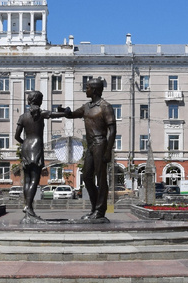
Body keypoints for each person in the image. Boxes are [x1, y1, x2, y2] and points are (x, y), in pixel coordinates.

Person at [59, 77, 117, 222]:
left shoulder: (105, 107)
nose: (86, 90)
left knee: (101, 178)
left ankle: (100, 210)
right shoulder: (87, 107)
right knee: (86, 177)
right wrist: (65, 111)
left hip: (100, 143)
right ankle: (95, 208)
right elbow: (72, 114)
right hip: (90, 145)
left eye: (88, 87)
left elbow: (113, 130)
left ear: (95, 90)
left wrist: (108, 150)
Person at [13, 90, 63, 219]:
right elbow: (54, 114)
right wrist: (66, 112)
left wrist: (24, 143)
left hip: (26, 147)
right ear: (40, 101)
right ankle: (29, 208)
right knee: (35, 179)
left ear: (29, 101)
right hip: (37, 146)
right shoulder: (41, 113)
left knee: (27, 180)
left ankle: (27, 206)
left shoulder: (23, 116)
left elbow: (16, 136)